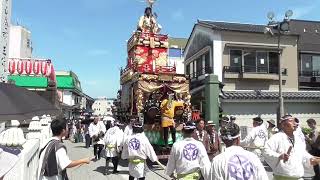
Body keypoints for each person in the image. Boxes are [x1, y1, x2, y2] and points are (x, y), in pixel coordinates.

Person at [263, 115, 320, 180]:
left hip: (298, 176)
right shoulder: (277, 137)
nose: (295, 123)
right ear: (283, 125)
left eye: (295, 121)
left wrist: (310, 159)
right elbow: (266, 151)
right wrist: (279, 156)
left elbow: (302, 153)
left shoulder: (298, 139)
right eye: (291, 121)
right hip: (282, 177)